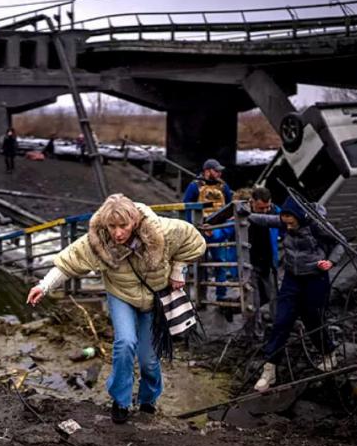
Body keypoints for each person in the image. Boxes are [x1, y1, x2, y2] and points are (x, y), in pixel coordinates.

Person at [26, 194, 206, 423]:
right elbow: (69, 261)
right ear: (105, 224)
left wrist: (179, 269)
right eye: (112, 226)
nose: (118, 233)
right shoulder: (98, 239)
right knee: (125, 343)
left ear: (135, 221)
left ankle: (148, 400)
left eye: (123, 226)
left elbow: (195, 240)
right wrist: (44, 286)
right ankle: (121, 401)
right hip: (121, 296)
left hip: (154, 299)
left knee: (149, 359)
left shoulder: (162, 229)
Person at [247, 196, 345, 392]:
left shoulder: (317, 225)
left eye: (291, 222)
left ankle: (328, 353)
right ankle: (269, 370)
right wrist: (246, 215)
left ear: (299, 217)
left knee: (313, 320)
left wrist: (331, 262)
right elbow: (265, 220)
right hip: (292, 278)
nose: (288, 226)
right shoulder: (284, 221)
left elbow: (340, 242)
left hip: (315, 278)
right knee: (281, 321)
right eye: (285, 221)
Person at [243, 187, 281, 340]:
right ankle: (255, 335)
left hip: (269, 263)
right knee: (254, 300)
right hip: (249, 264)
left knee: (272, 296)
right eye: (260, 208)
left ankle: (277, 328)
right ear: (252, 202)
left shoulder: (277, 212)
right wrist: (213, 233)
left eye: (267, 207)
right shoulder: (242, 212)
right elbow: (228, 228)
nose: (264, 211)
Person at [183, 159, 233, 223]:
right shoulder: (195, 186)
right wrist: (191, 224)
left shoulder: (223, 186)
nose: (219, 173)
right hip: (202, 222)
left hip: (221, 222)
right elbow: (187, 206)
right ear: (207, 171)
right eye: (216, 171)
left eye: (220, 171)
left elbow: (229, 204)